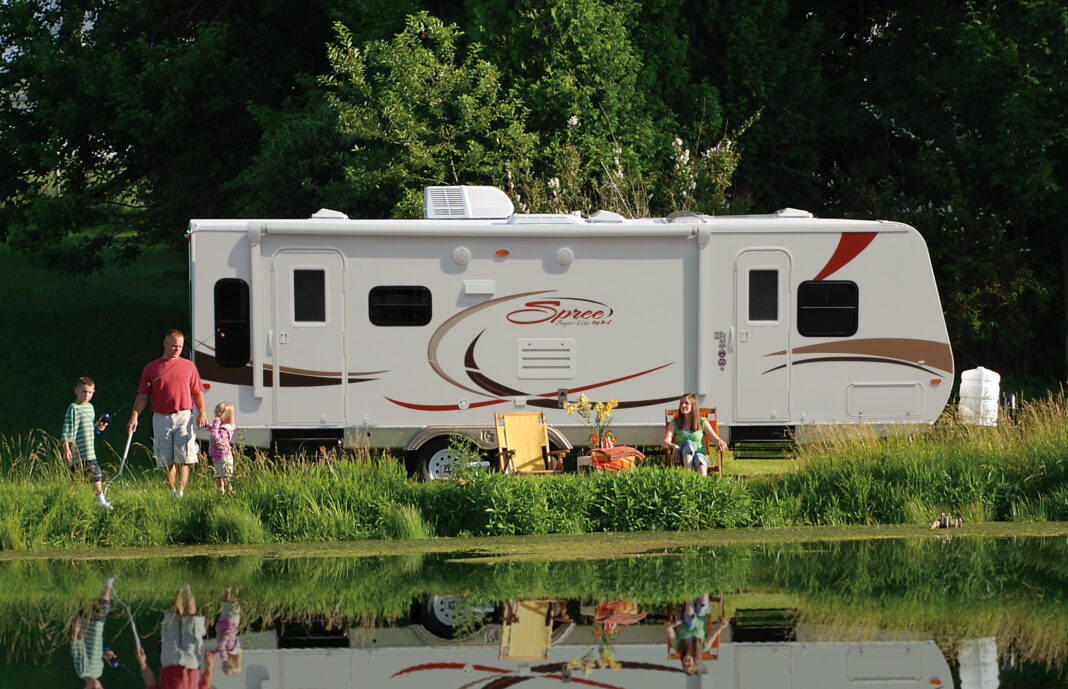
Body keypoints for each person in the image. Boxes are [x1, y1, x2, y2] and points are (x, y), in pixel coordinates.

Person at [127, 330, 207, 498]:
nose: (177, 349)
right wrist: (135, 415)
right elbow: (143, 395)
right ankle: (172, 492)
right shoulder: (151, 367)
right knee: (165, 459)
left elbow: (197, 392)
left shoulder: (189, 366)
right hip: (161, 417)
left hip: (184, 415)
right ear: (165, 343)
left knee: (184, 456)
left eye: (180, 346)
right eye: (174, 346)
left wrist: (202, 413)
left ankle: (181, 493)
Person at [135, 584, 216, 689]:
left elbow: (151, 683)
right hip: (191, 663)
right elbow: (205, 685)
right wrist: (210, 666)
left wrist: (143, 663)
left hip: (169, 661)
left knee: (173, 616)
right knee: (192, 619)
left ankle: (179, 585)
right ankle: (187, 586)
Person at [63, 376, 112, 509]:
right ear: (76, 391)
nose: (86, 395)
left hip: (90, 452)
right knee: (76, 480)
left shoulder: (90, 408)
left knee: (96, 476)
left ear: (93, 392)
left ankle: (101, 502)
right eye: (84, 392)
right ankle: (67, 502)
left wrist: (98, 427)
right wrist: (67, 448)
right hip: (78, 452)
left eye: (90, 392)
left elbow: (91, 428)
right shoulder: (73, 408)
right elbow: (67, 428)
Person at [662, 393, 728, 477]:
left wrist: (720, 442)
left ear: (693, 406)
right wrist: (674, 446)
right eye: (681, 403)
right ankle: (689, 477)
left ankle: (702, 485)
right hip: (682, 459)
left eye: (686, 403)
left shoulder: (702, 422)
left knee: (698, 457)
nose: (683, 405)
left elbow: (715, 439)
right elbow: (665, 442)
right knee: (688, 443)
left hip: (701, 458)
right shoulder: (675, 423)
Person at [664, 593, 729, 676]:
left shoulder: (677, 646)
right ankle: (693, 591)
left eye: (685, 665)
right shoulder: (704, 646)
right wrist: (722, 625)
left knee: (690, 622)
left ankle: (690, 592)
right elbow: (716, 631)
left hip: (683, 612)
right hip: (703, 613)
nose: (686, 662)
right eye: (689, 665)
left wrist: (676, 623)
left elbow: (667, 627)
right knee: (703, 605)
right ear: (695, 661)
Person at [72, 575, 115, 688]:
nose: (96, 686)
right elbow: (95, 653)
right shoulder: (99, 671)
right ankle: (108, 580)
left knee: (84, 601)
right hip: (97, 628)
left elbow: (76, 651)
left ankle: (80, 575)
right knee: (104, 606)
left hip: (85, 630)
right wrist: (106, 654)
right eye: (99, 688)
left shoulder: (82, 672)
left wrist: (75, 633)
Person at [208, 403, 236, 495]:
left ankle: (227, 495)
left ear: (226, 415)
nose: (216, 414)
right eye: (216, 411)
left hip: (223, 458)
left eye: (219, 412)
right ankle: (223, 495)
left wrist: (215, 424)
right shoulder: (222, 427)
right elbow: (214, 430)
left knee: (224, 479)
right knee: (219, 478)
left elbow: (215, 438)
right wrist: (207, 425)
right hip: (219, 457)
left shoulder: (225, 428)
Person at [215, 587, 242, 675]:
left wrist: (215, 652)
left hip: (233, 621)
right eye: (225, 663)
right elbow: (224, 638)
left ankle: (235, 586)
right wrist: (223, 656)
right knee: (226, 602)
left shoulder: (234, 649)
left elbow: (221, 646)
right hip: (228, 622)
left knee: (233, 603)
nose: (223, 661)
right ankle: (229, 585)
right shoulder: (230, 648)